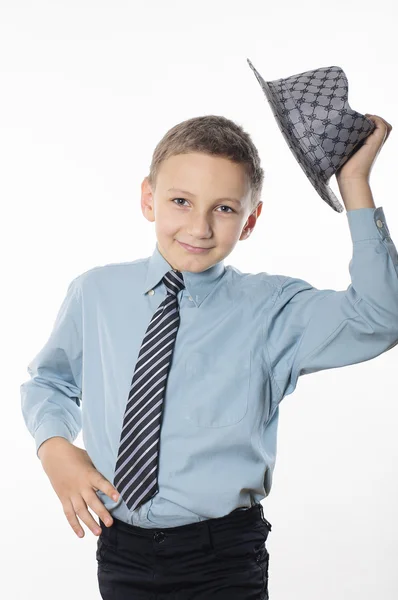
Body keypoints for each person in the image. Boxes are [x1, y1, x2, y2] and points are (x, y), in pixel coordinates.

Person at [21, 113, 397, 599]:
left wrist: (354, 184)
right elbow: (49, 382)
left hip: (222, 557)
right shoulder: (96, 292)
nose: (198, 227)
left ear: (250, 221)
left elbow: (380, 317)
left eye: (223, 208)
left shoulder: (273, 310)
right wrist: (54, 446)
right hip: (121, 550)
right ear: (148, 198)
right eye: (181, 201)